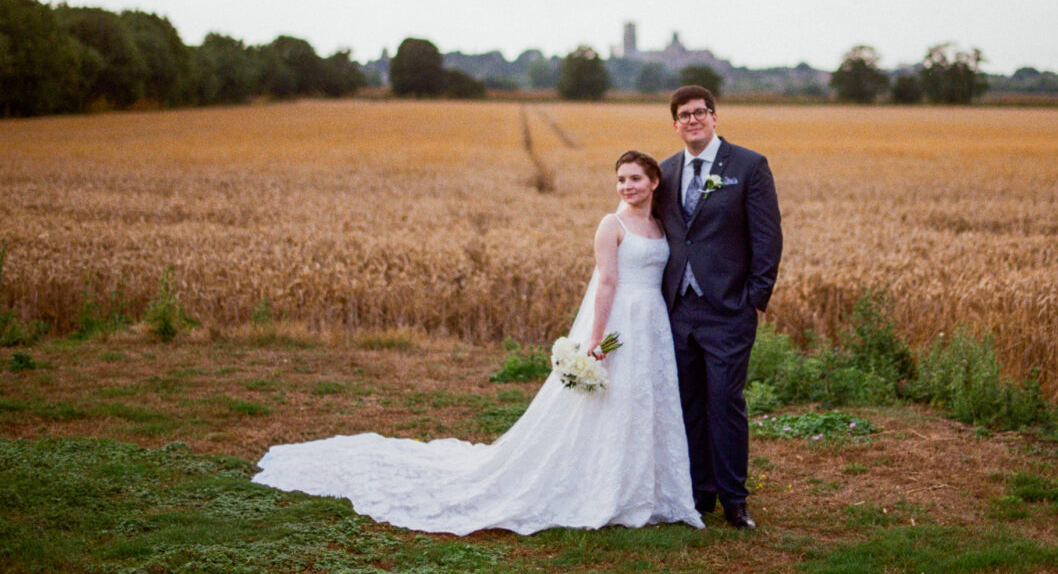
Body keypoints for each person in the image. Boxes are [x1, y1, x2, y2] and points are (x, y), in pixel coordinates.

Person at [252, 151, 703, 535]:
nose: (627, 186)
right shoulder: (612, 224)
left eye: (636, 179)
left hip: (652, 324)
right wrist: (594, 341)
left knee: (645, 400)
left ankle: (646, 490)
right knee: (608, 402)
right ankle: (603, 489)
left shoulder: (663, 226)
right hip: (618, 321)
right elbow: (606, 282)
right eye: (621, 179)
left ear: (654, 181)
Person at [656, 86, 783, 531]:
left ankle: (734, 499)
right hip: (677, 311)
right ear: (675, 124)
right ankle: (698, 493)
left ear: (714, 117)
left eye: (700, 113)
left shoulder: (748, 166)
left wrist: (754, 299)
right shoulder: (665, 172)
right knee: (687, 403)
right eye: (684, 115)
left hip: (729, 309)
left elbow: (767, 238)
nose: (693, 120)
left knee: (725, 402)